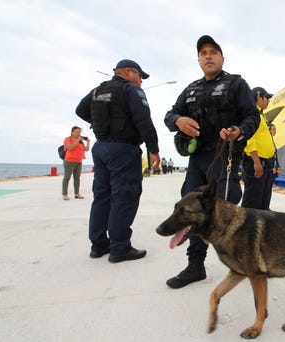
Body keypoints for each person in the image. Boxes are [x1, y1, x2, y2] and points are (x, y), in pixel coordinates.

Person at [163, 35, 259, 288]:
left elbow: (252, 116)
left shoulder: (236, 84)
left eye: (213, 52)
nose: (208, 56)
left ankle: (242, 258)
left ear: (222, 58)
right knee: (190, 210)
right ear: (198, 59)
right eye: (203, 52)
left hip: (224, 155)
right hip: (197, 159)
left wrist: (238, 130)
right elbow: (170, 114)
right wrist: (177, 121)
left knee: (224, 209)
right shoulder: (191, 88)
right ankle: (195, 266)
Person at [75, 59, 160, 263]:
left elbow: (80, 110)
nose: (141, 82)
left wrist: (104, 123)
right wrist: (153, 149)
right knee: (124, 195)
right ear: (129, 73)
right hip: (123, 149)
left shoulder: (97, 90)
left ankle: (98, 244)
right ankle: (120, 247)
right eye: (140, 77)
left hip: (101, 148)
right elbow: (143, 119)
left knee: (102, 196)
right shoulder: (130, 90)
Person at [241, 87, 276, 210]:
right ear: (258, 97)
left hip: (266, 162)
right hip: (256, 161)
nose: (268, 101)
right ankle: (247, 228)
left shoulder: (262, 116)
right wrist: (256, 162)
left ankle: (263, 226)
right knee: (252, 200)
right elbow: (250, 139)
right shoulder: (251, 115)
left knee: (264, 199)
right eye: (267, 97)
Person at [62, 126, 90, 200]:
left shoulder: (81, 141)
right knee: (67, 177)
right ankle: (65, 194)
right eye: (76, 132)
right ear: (72, 132)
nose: (78, 133)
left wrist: (88, 142)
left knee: (77, 178)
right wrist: (77, 140)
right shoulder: (67, 139)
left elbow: (86, 149)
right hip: (69, 161)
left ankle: (77, 194)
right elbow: (70, 148)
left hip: (79, 161)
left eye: (79, 132)